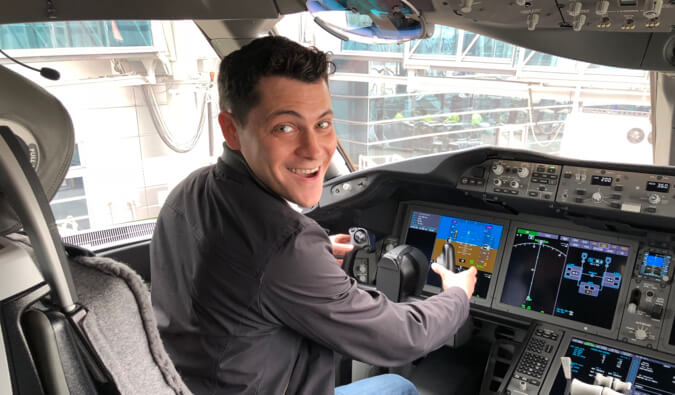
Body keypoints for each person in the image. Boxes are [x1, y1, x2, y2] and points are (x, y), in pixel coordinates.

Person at [150, 36, 477, 395]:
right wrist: (456, 295)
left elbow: (252, 274)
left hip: (199, 384)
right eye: (285, 128)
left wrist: (314, 254)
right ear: (232, 130)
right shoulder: (284, 247)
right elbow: (403, 338)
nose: (314, 150)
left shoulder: (187, 191)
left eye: (322, 124)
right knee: (400, 387)